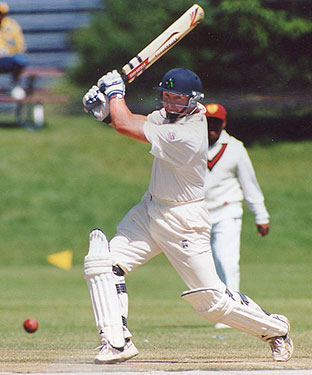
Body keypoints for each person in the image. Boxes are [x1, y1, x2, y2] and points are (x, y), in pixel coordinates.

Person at [82, 68, 293, 364]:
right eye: (165, 96)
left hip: (184, 220)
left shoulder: (189, 134)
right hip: (151, 209)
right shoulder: (166, 117)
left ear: (194, 101)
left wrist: (116, 93)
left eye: (177, 98)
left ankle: (275, 329)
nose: (169, 103)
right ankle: (116, 342)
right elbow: (137, 121)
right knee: (103, 263)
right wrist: (105, 112)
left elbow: (126, 126)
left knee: (212, 303)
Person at [204, 103, 270, 328]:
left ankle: (232, 311)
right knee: (208, 265)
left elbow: (249, 184)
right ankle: (218, 309)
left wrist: (261, 215)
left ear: (223, 123)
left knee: (227, 260)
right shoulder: (191, 145)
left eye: (216, 122)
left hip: (227, 209)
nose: (211, 127)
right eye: (207, 121)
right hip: (199, 213)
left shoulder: (235, 148)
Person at [0, 2, 28, 98]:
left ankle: (15, 85)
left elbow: (20, 47)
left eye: (2, 13)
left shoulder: (12, 26)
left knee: (20, 60)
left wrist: (8, 52)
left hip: (8, 59)